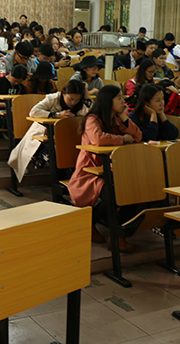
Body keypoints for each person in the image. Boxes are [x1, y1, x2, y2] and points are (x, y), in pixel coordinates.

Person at [67, 85, 142, 251]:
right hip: (91, 172)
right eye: (119, 98)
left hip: (115, 169)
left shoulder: (117, 118)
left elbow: (137, 136)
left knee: (134, 192)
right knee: (116, 196)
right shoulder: (92, 119)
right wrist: (123, 139)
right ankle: (91, 222)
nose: (123, 101)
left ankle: (117, 235)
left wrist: (125, 118)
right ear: (108, 101)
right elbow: (98, 139)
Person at [8, 80, 90, 179]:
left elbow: (90, 113)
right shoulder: (53, 98)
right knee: (58, 154)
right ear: (63, 92)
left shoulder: (82, 103)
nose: (73, 103)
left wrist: (86, 95)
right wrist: (57, 115)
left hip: (69, 135)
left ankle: (74, 179)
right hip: (46, 134)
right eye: (71, 99)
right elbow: (34, 112)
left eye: (77, 100)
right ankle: (59, 181)